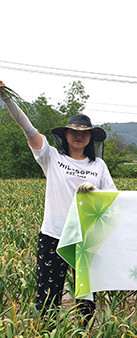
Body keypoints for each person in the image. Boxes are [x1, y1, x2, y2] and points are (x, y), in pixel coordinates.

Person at [0, 81, 116, 322]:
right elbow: (29, 130)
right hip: (54, 234)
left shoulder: (98, 166)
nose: (79, 136)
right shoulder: (51, 156)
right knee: (48, 294)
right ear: (65, 135)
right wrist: (6, 98)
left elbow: (112, 199)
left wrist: (93, 192)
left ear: (91, 138)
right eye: (74, 131)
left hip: (86, 238)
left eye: (84, 133)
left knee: (87, 295)